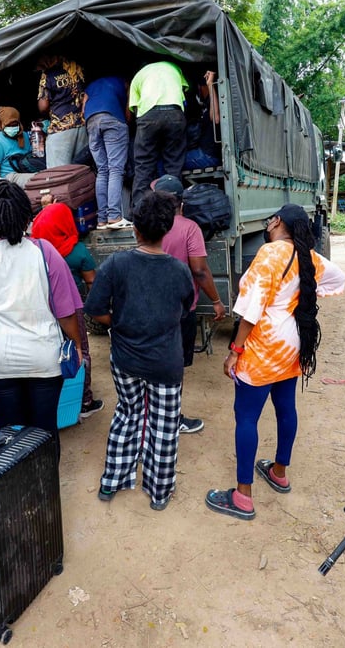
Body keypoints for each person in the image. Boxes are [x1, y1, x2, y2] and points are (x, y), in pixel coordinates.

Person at [206, 204, 345, 520]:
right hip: (293, 343)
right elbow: (338, 278)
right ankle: (279, 472)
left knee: (246, 416)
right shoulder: (307, 255)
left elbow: (251, 311)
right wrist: (295, 300)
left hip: (264, 345)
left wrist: (235, 350)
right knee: (286, 408)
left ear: (277, 221)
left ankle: (242, 497)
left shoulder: (269, 254)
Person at [85, 192, 193, 510]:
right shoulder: (179, 271)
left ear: (135, 229)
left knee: (127, 414)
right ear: (167, 230)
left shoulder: (117, 264)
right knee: (164, 426)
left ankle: (111, 482)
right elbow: (185, 309)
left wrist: (119, 323)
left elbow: (95, 308)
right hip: (166, 362)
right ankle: (159, 494)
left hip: (125, 359)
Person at [0, 179, 83, 457]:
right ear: (25, 216)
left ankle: (14, 494)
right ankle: (45, 495)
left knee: (7, 434)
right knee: (45, 432)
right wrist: (77, 345)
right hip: (42, 360)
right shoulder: (45, 253)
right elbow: (66, 313)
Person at [153, 175, 227, 433]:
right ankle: (172, 419)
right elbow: (200, 270)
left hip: (150, 307)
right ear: (181, 203)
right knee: (174, 368)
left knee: (153, 364)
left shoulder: (149, 227)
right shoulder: (189, 228)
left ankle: (151, 417)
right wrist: (217, 301)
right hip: (181, 310)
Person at [30, 194, 104, 419]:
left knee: (51, 351)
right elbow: (91, 281)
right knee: (79, 350)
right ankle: (84, 401)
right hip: (71, 307)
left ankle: (54, 399)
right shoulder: (77, 250)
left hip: (41, 307)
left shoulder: (35, 248)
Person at [129, 60, 189, 200]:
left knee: (143, 166)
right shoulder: (174, 68)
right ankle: (173, 209)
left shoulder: (138, 76)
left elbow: (134, 109)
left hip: (148, 115)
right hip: (175, 112)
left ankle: (139, 212)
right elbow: (184, 93)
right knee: (174, 164)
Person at [82, 76, 131, 229]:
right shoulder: (124, 83)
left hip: (91, 121)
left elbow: (83, 110)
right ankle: (115, 217)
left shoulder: (91, 86)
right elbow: (128, 112)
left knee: (102, 171)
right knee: (115, 169)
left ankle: (102, 219)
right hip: (112, 119)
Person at [37, 55, 87, 167]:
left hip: (61, 127)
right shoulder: (75, 68)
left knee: (58, 174)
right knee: (80, 171)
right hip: (81, 126)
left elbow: (43, 106)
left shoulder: (48, 75)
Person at [183, 70, 222, 170]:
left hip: (207, 156)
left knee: (165, 162)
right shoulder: (204, 106)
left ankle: (167, 186)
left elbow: (215, 119)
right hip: (203, 153)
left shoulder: (213, 103)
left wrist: (210, 85)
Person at [0, 106, 33, 177]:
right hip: (10, 176)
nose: (12, 128)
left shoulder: (25, 136)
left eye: (14, 125)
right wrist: (1, 185)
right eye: (8, 125)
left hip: (28, 170)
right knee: (34, 178)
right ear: (2, 125)